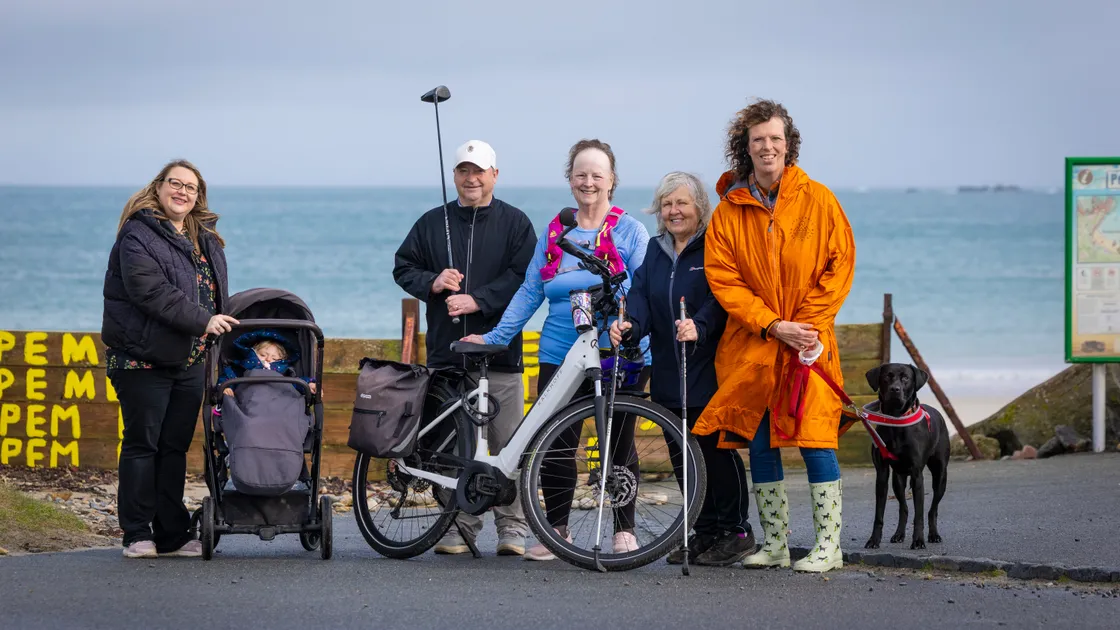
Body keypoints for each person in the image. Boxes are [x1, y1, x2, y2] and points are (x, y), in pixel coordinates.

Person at [462, 139, 652, 560]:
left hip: (617, 347)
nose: (588, 182)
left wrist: (634, 329)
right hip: (559, 349)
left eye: (597, 175)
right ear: (570, 180)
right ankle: (557, 529)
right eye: (580, 174)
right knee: (556, 441)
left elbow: (644, 289)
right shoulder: (555, 232)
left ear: (611, 181)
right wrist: (494, 337)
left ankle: (624, 529)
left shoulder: (630, 231)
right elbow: (530, 292)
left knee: (618, 440)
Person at [693, 99, 856, 573]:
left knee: (816, 438)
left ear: (789, 145)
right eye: (758, 139)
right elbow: (724, 280)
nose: (767, 147)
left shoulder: (819, 199)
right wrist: (772, 325)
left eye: (775, 139)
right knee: (761, 443)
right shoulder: (728, 211)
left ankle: (829, 546)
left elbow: (840, 264)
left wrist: (805, 326)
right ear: (745, 147)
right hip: (755, 343)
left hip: (809, 343)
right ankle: (776, 544)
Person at [393, 139, 537, 556]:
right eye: (463, 171)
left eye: (479, 171)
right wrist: (433, 282)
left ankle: (512, 528)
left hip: (501, 353)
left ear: (495, 175)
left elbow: (525, 278)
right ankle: (457, 526)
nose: (471, 178)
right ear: (454, 175)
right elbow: (403, 267)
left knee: (508, 443)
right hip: (448, 353)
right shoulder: (430, 222)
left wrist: (479, 300)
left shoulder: (516, 223)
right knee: (453, 448)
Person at [609, 171, 756, 567]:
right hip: (669, 369)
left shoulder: (714, 245)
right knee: (681, 453)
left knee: (713, 452)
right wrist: (630, 323)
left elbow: (724, 297)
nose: (674, 211)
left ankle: (736, 531)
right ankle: (704, 530)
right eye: (667, 204)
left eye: (681, 203)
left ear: (699, 207)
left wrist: (700, 325)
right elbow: (640, 295)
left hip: (708, 365)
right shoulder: (656, 249)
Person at [102, 159, 239, 559]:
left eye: (190, 187)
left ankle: (172, 534)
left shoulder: (204, 238)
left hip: (189, 359)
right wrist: (203, 320)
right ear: (159, 187)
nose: (182, 192)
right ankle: (136, 533)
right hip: (141, 359)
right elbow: (150, 291)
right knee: (142, 445)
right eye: (175, 184)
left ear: (199, 196)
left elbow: (213, 294)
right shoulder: (138, 234)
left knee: (174, 447)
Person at [218, 332, 318, 397]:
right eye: (263, 355)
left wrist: (308, 384)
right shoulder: (241, 369)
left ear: (282, 360)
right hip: (247, 404)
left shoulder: (285, 373)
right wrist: (226, 388)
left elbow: (297, 383)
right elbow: (228, 377)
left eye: (274, 358)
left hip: (278, 405)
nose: (268, 359)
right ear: (253, 352)